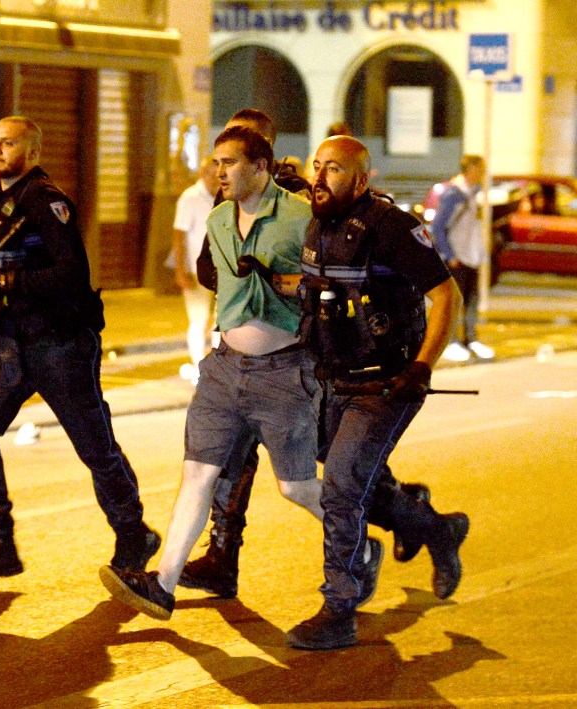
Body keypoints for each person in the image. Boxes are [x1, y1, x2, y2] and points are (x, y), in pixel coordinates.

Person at [98, 125, 376, 620]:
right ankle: (163, 584)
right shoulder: (220, 219)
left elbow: (334, 284)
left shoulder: (300, 219)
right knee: (198, 475)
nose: (218, 171)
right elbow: (214, 277)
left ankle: (362, 545)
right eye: (215, 162)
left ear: (261, 167)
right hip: (224, 369)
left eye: (229, 162)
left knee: (294, 487)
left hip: (284, 373)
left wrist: (290, 288)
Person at [181, 110, 432, 601]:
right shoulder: (230, 201)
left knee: (331, 469)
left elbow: (336, 273)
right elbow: (209, 270)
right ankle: (222, 557)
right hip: (243, 356)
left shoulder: (304, 203)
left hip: (302, 358)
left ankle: (412, 517)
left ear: (267, 155)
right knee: (229, 458)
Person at [0, 116, 160, 583]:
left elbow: (71, 275)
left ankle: (132, 532)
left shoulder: (48, 203)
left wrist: (5, 282)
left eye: (9, 143)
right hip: (7, 346)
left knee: (94, 446)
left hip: (58, 344)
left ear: (33, 151)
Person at [285, 135, 470, 650]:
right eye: (316, 167)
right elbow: (317, 287)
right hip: (332, 379)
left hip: (384, 382)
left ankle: (339, 608)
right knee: (349, 474)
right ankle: (433, 527)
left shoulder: (393, 228)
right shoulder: (320, 224)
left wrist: (422, 367)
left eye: (334, 171)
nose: (319, 179)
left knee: (342, 486)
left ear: (361, 179)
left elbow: (445, 294)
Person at [431, 154, 495, 362]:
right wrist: (450, 255)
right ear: (470, 170)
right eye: (480, 169)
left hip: (472, 256)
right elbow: (439, 227)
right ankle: (452, 342)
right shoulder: (454, 195)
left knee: (471, 300)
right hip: (457, 257)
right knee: (455, 302)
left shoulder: (475, 193)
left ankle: (470, 339)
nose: (483, 174)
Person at [169, 155, 219, 384]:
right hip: (196, 269)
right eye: (210, 174)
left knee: (221, 321)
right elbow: (179, 236)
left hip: (221, 270)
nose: (214, 179)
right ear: (202, 174)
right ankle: (199, 368)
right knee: (198, 320)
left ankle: (218, 368)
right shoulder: (189, 198)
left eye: (217, 174)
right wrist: (181, 269)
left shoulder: (224, 197)